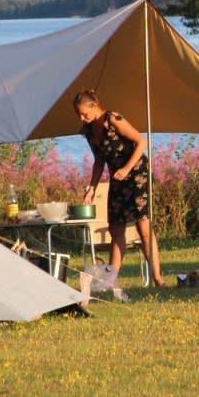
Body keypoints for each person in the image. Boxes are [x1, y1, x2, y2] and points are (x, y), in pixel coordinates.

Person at [73, 89, 165, 287]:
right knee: (116, 228)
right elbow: (99, 161)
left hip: (137, 173)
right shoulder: (89, 131)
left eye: (84, 113)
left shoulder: (112, 119)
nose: (82, 118)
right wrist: (92, 188)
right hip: (117, 176)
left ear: (94, 106)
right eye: (78, 114)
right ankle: (111, 281)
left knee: (144, 228)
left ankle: (158, 279)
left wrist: (126, 168)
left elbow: (141, 142)